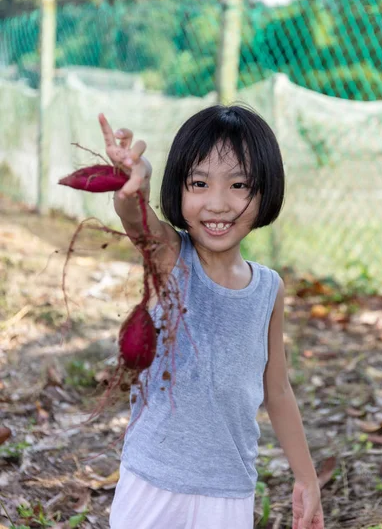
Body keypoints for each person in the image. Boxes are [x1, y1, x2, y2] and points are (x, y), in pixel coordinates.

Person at [100, 105, 325, 529]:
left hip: (228, 489)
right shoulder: (171, 257)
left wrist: (306, 477)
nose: (218, 204)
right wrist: (134, 180)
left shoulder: (268, 289)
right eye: (199, 183)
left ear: (266, 192)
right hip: (153, 480)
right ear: (178, 190)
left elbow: (276, 390)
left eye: (239, 185)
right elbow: (134, 215)